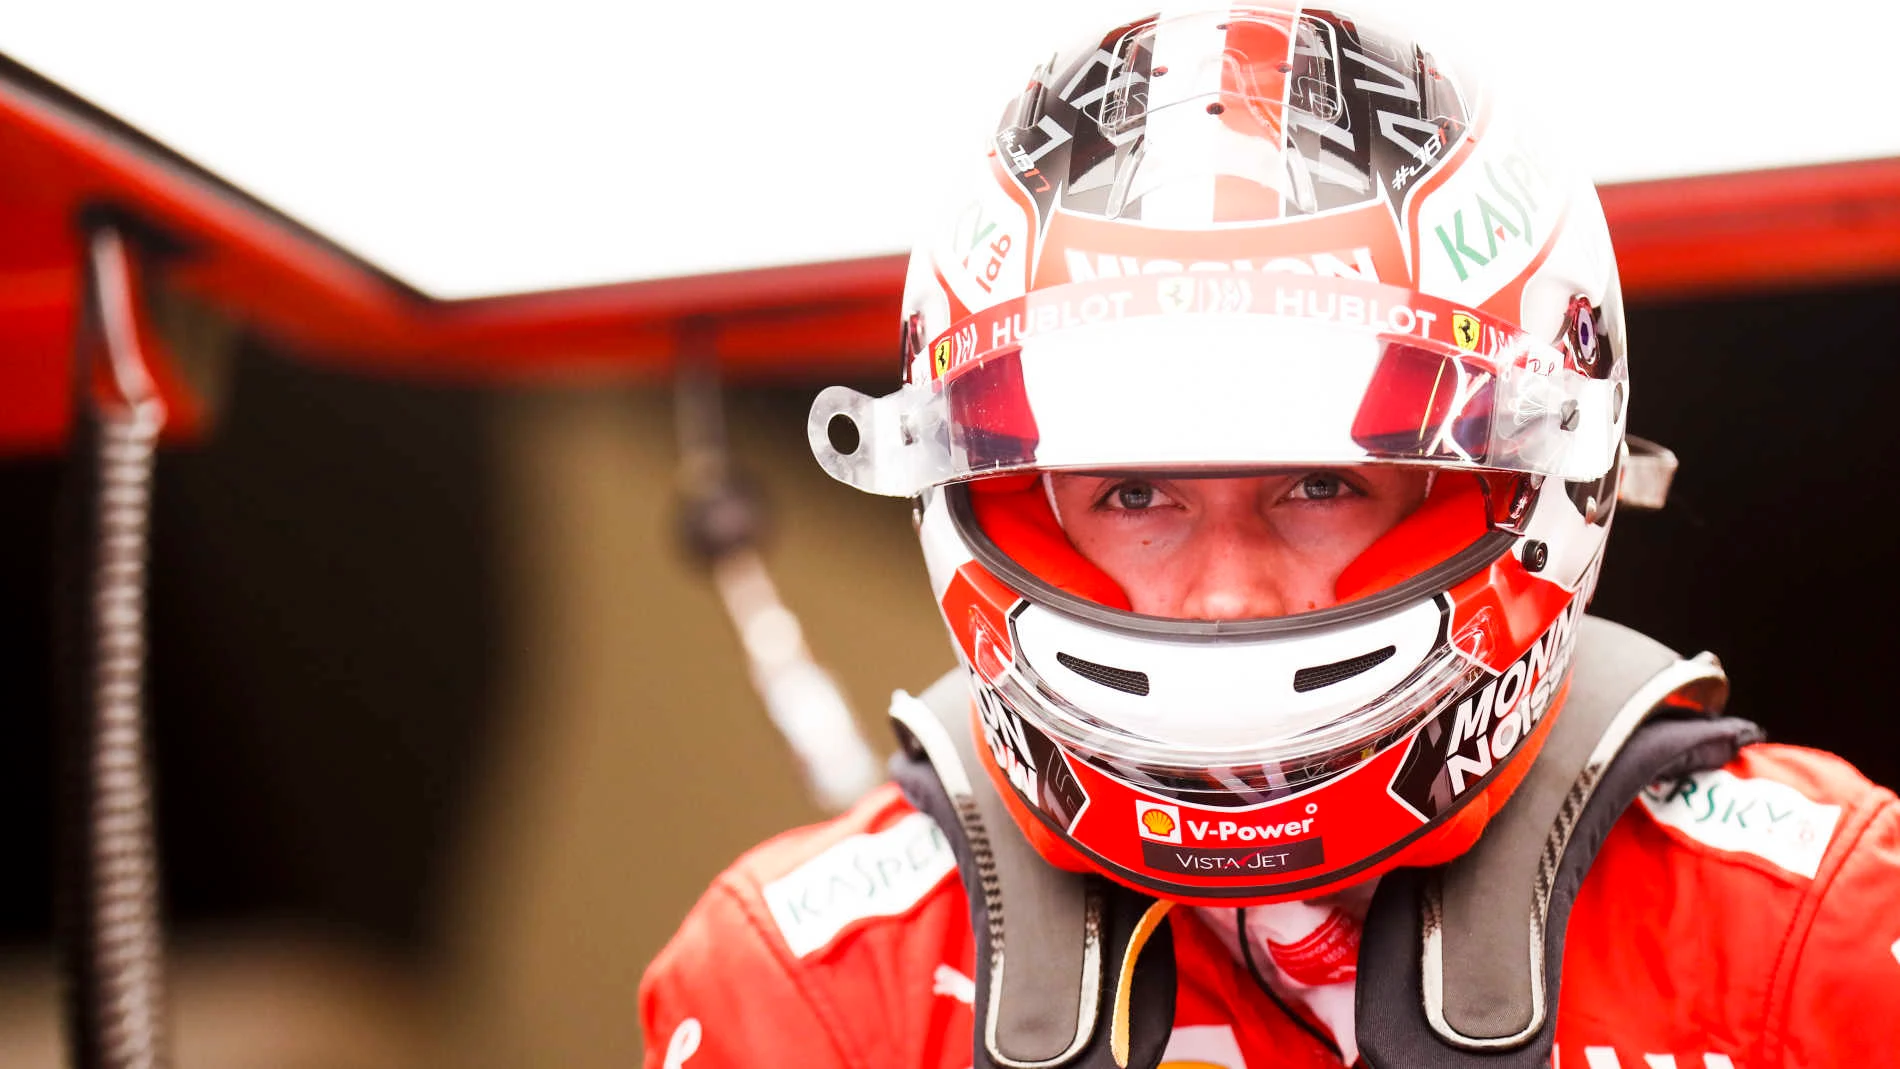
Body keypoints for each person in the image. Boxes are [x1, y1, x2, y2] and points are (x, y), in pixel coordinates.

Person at [639, 6, 1900, 1068]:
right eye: (1134, 492)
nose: (1229, 593)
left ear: (1526, 480)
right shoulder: (810, 990)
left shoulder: (1816, 931)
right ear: (996, 494)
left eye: (1318, 483)